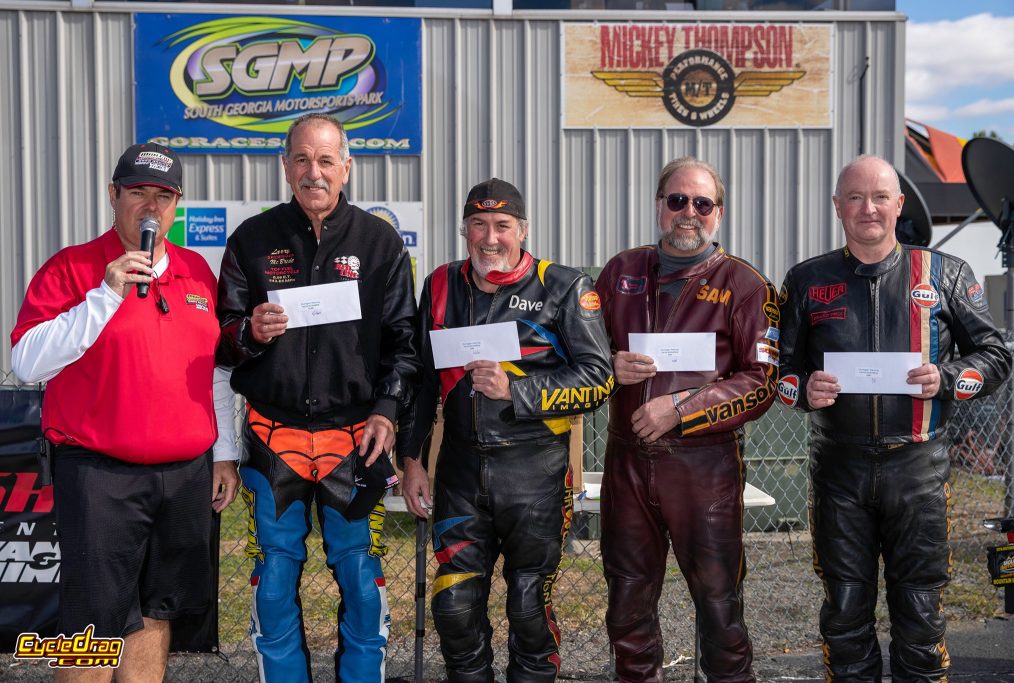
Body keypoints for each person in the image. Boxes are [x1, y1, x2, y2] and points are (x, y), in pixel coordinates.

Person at [10, 142, 240, 682]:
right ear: (114, 195)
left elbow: (214, 372)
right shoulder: (72, 267)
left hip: (184, 473)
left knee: (157, 611)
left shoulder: (196, 272)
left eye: (163, 195)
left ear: (176, 204)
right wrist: (106, 294)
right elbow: (26, 361)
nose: (150, 206)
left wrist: (224, 453)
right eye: (137, 192)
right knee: (91, 623)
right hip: (98, 471)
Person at [777, 155, 1012, 682]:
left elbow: (997, 357)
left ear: (898, 204)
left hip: (919, 469)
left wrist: (947, 377)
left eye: (880, 196)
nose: (868, 208)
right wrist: (804, 389)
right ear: (837, 206)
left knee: (922, 613)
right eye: (855, 197)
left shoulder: (945, 274)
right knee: (844, 610)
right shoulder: (807, 280)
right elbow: (780, 372)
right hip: (838, 471)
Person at [216, 113, 418, 683]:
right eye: (302, 159)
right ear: (285, 167)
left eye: (326, 160)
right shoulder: (251, 241)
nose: (313, 172)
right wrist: (249, 332)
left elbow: (405, 343)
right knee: (274, 578)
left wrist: (386, 409)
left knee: (360, 577)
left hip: (354, 441)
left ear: (346, 167)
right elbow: (220, 341)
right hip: (270, 437)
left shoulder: (379, 243)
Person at [398, 177, 614, 682]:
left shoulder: (565, 286)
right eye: (478, 225)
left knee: (527, 607)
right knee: (452, 608)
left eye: (502, 225)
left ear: (523, 229)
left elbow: (598, 379)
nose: (490, 238)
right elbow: (422, 381)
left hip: (535, 474)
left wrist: (514, 390)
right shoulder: (440, 283)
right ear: (463, 230)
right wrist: (411, 461)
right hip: (460, 475)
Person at [595, 157, 779, 683]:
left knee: (720, 608)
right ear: (660, 206)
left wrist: (680, 409)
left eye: (702, 203)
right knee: (626, 603)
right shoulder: (621, 271)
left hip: (704, 468)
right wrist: (609, 366)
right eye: (677, 201)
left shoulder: (745, 284)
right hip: (626, 463)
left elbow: (763, 381)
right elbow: (583, 354)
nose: (688, 213)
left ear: (718, 213)